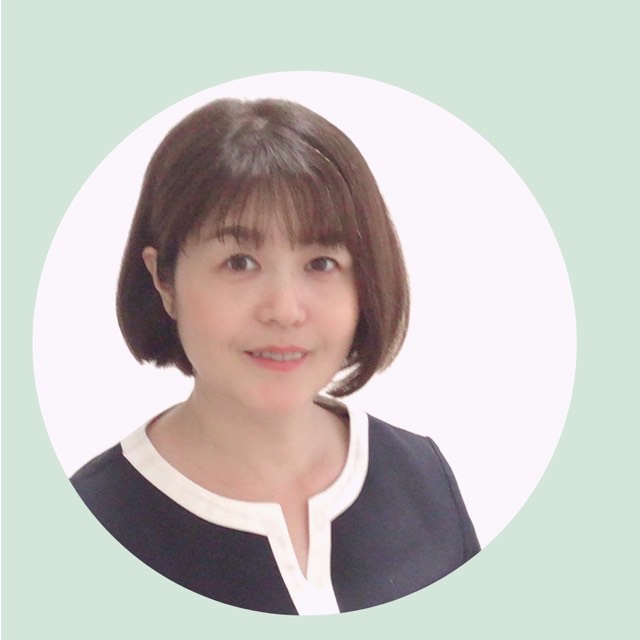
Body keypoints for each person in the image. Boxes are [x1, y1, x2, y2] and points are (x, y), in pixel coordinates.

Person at [71, 97, 480, 615]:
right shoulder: (92, 522)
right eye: (239, 262)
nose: (285, 310)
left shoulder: (421, 476)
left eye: (322, 263)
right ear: (163, 280)